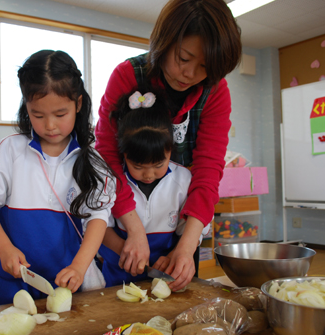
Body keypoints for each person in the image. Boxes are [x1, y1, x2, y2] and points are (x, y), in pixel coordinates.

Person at [94, 0, 241, 291]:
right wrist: (133, 228)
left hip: (179, 221)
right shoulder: (128, 76)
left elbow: (209, 168)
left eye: (204, 67)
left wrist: (187, 246)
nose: (190, 74)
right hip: (126, 214)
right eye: (183, 58)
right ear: (165, 40)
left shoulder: (215, 91)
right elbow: (107, 156)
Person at [0, 50, 116, 304]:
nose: (50, 125)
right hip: (15, 282)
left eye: (60, 115)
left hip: (69, 284)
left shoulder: (92, 162)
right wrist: (4, 248)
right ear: (26, 107)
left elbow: (99, 216)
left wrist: (80, 266)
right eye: (38, 115)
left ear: (78, 105)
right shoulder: (10, 150)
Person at [98, 90, 211, 287]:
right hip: (115, 280)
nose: (149, 175)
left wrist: (174, 256)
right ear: (123, 155)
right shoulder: (112, 181)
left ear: (170, 151)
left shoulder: (183, 180)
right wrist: (126, 251)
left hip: (164, 279)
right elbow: (99, 226)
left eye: (159, 165)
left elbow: (193, 228)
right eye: (138, 167)